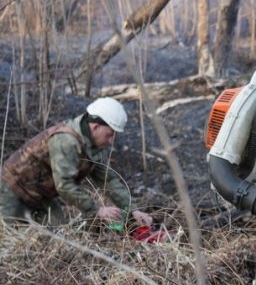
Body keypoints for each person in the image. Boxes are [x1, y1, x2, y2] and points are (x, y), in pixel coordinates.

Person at [0, 97, 155, 230]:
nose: (111, 141)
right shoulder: (66, 140)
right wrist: (97, 210)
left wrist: (133, 210)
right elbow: (65, 185)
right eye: (109, 134)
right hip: (12, 191)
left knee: (58, 236)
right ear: (95, 127)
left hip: (41, 197)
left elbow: (108, 180)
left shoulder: (94, 146)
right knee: (12, 243)